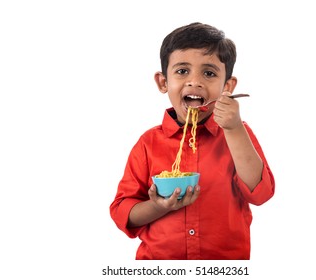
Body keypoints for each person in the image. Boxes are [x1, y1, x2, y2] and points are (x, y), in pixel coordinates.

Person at [110, 22, 275, 260]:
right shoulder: (147, 143)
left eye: (209, 73)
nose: (194, 81)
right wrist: (158, 207)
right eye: (182, 71)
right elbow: (123, 211)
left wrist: (235, 129)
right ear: (163, 82)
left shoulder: (238, 134)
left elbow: (260, 194)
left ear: (227, 87)